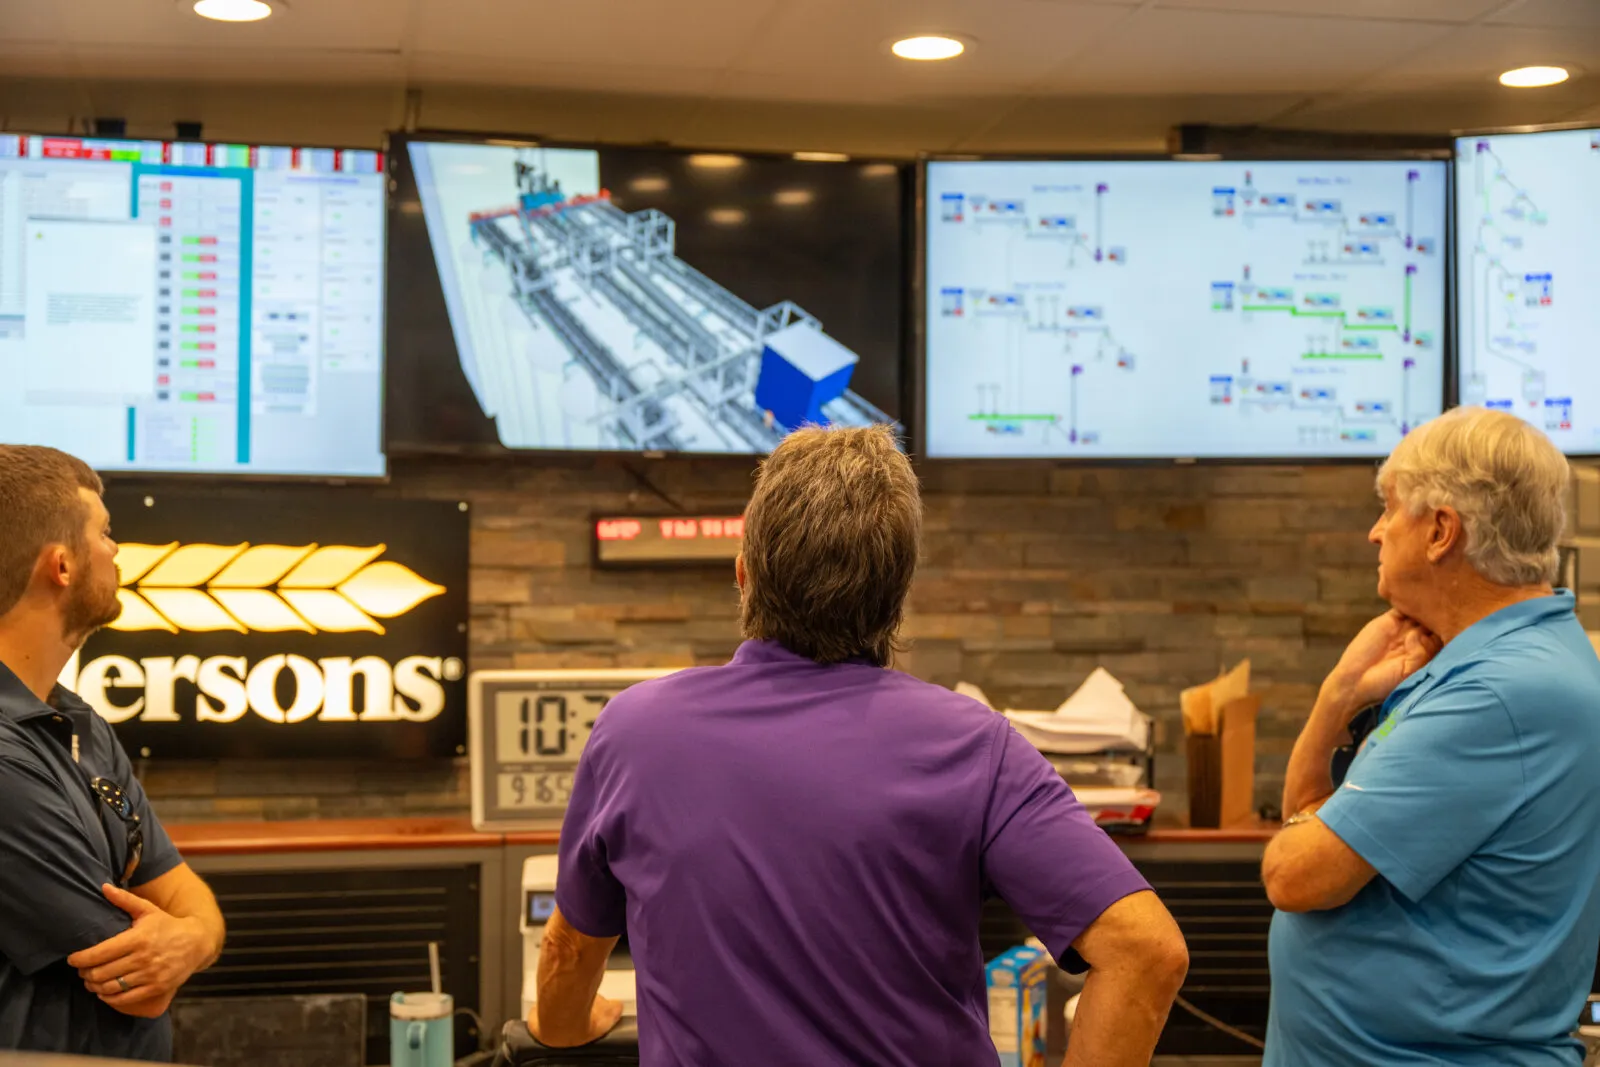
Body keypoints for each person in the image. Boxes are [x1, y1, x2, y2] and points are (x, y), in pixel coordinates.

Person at [530, 425, 1189, 1067]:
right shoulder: (975, 745)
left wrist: (567, 1027)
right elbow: (1144, 951)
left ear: (743, 574)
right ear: (897, 597)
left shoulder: (633, 732)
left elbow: (569, 951)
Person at [1262, 407, 1600, 1066]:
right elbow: (1305, 821)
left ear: (1442, 531)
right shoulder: (1499, 661)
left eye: (1389, 509)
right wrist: (1339, 694)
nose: (1375, 531)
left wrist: (1309, 826)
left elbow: (1293, 875)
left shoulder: (1497, 693)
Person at [0, 445, 226, 1060]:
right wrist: (186, 939)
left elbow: (184, 896)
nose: (117, 549)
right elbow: (136, 986)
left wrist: (193, 938)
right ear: (62, 565)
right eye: (104, 532)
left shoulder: (81, 722)